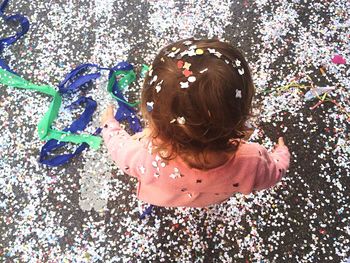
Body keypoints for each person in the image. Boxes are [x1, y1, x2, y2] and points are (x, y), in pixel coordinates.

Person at [100, 38, 291, 208]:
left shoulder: (145, 154)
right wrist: (281, 154)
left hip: (165, 197)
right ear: (242, 116)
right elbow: (273, 174)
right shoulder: (252, 160)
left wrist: (109, 125)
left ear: (153, 119)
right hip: (211, 197)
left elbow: (119, 149)